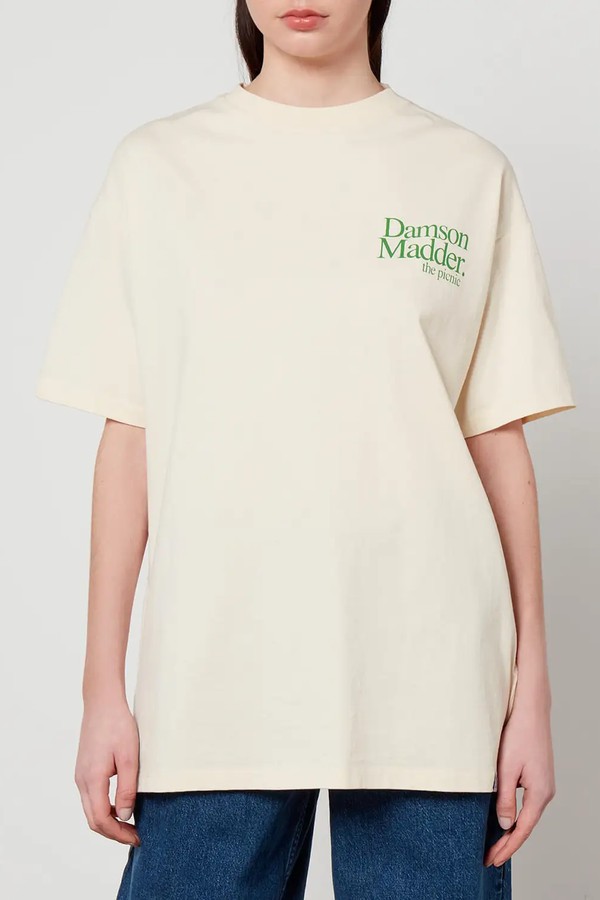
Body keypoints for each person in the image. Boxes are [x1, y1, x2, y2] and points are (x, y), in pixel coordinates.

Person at [34, 1, 576, 898]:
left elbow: (497, 440)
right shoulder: (157, 168)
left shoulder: (465, 172)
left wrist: (533, 695)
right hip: (213, 676)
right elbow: (129, 435)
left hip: (433, 682)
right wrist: (102, 691)